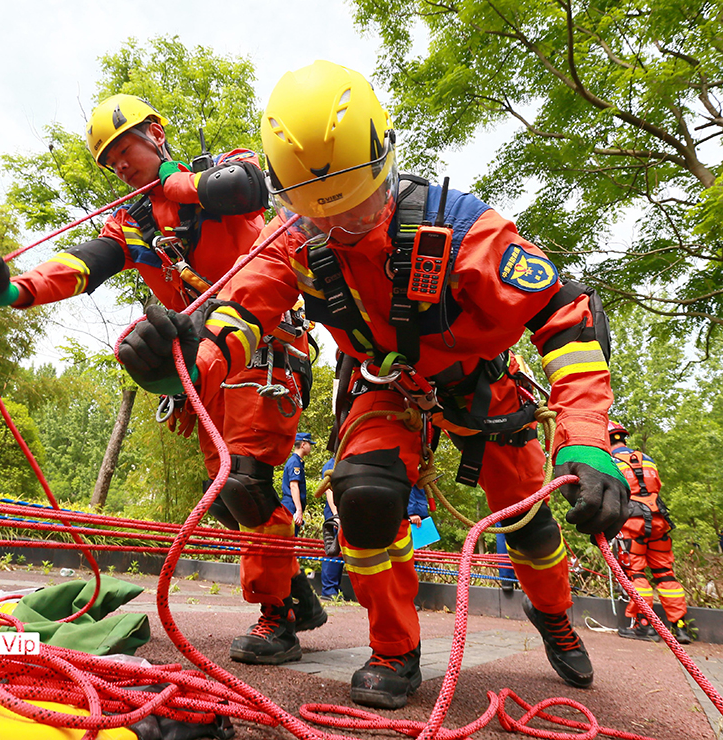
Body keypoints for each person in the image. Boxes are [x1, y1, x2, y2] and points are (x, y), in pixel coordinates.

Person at [116, 61, 631, 708]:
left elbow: (565, 314)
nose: (342, 226)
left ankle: (553, 615)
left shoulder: (461, 229)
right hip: (381, 382)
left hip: (481, 384)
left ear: (386, 164)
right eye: (316, 213)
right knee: (362, 494)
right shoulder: (293, 241)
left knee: (527, 520)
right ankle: (394, 649)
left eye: (357, 205)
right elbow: (239, 317)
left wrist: (584, 439)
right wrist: (186, 364)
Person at [0, 93, 325, 666]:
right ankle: (294, 592)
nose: (119, 165)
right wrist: (15, 289)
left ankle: (278, 616)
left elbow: (251, 189)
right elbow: (83, 264)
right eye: (109, 161)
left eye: (123, 149)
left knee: (243, 484)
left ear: (155, 133)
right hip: (205, 363)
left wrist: (173, 184)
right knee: (226, 496)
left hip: (264, 347)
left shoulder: (222, 172)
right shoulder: (133, 226)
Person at [609, 421, 694, 644]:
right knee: (665, 573)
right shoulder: (646, 459)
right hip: (658, 521)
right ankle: (680, 627)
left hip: (632, 523)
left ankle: (644, 625)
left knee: (635, 574)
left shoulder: (611, 461)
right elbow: (655, 486)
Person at [281, 432, 314, 535]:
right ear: (303, 444)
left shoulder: (297, 461)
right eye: (309, 444)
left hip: (292, 504)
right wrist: (298, 510)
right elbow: (294, 486)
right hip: (291, 505)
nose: (310, 447)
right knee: (289, 538)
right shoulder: (295, 462)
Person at [320, 456, 344, 598]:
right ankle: (329, 589)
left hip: (343, 511)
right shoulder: (331, 465)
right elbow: (329, 491)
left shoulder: (342, 463)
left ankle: (334, 588)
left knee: (340, 550)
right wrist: (336, 515)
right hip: (335, 513)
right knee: (333, 549)